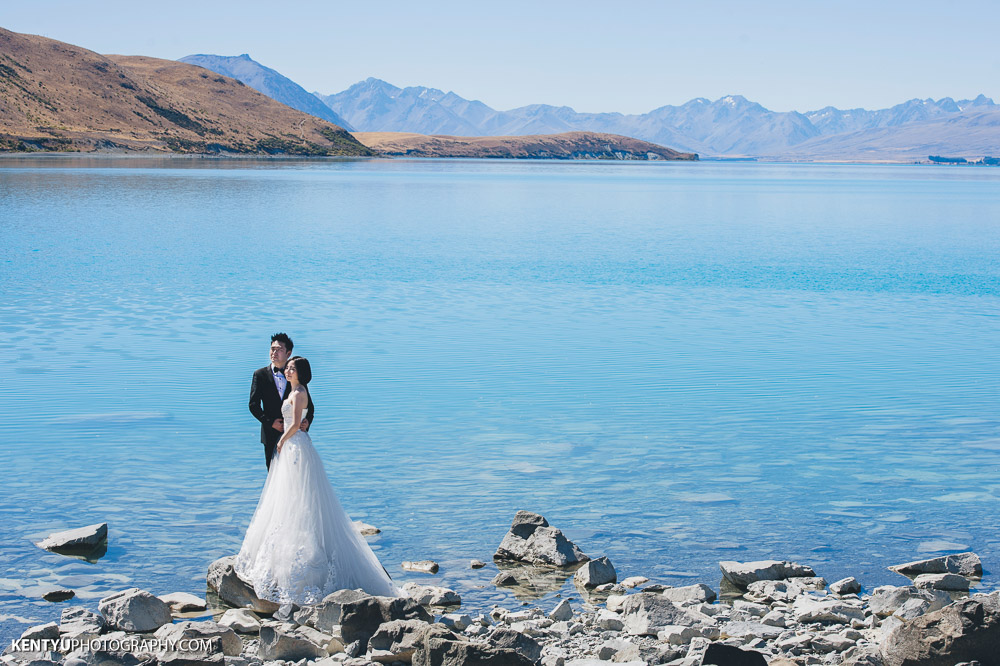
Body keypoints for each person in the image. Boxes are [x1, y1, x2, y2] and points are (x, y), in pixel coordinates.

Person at [235, 356, 400, 603]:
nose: (288, 370)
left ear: (300, 373)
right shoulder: (294, 390)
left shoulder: (300, 392)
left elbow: (296, 422)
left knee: (301, 495)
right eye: (287, 368)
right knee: (287, 497)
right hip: (291, 447)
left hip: (295, 447)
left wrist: (281, 439)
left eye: (291, 368)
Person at [249, 333, 314, 469]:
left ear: (288, 353)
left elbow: (309, 405)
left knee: (296, 473)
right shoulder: (260, 375)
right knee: (275, 477)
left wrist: (307, 421)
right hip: (271, 433)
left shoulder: (296, 375)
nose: (274, 353)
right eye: (272, 349)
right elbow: (253, 405)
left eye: (279, 349)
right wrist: (270, 422)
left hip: (295, 435)